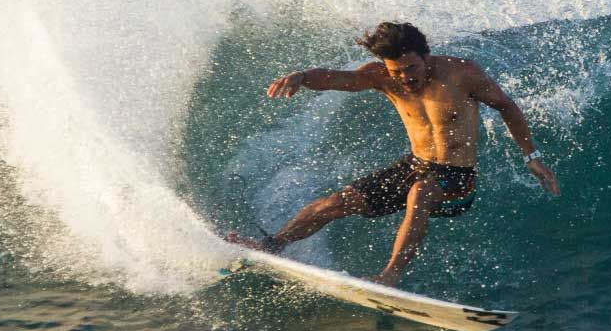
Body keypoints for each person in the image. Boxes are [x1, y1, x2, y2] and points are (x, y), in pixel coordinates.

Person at [227, 21, 559, 286]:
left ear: (425, 56)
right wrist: (302, 77)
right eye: (397, 71)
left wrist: (532, 157)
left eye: (411, 68)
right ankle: (272, 245)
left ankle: (390, 276)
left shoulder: (462, 74)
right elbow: (339, 79)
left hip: (456, 179)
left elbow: (506, 106)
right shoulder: (382, 76)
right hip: (414, 165)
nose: (405, 77)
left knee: (420, 192)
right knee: (335, 202)